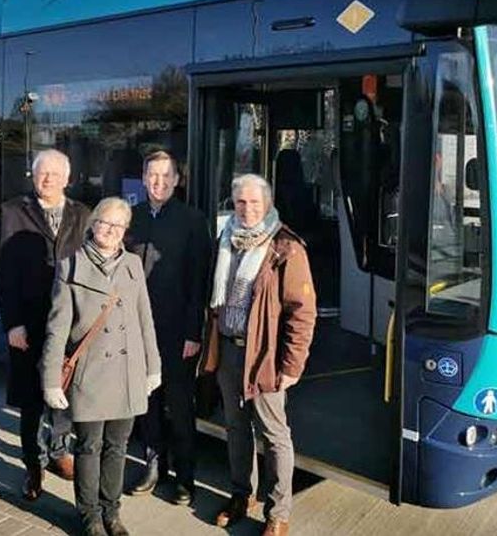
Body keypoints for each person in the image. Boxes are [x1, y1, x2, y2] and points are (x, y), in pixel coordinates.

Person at [202, 173, 316, 536]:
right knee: (236, 428)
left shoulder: (286, 247)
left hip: (264, 356)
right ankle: (241, 495)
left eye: (254, 202)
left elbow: (302, 312)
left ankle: (278, 512)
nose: (247, 209)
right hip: (228, 350)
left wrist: (292, 365)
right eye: (240, 202)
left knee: (274, 434)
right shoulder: (226, 239)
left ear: (266, 204)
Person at [41, 197, 162, 536]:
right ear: (93, 225)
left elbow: (144, 318)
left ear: (125, 231)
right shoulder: (70, 267)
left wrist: (153, 366)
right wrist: (51, 381)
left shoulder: (133, 265)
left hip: (128, 372)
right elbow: (57, 328)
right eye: (104, 223)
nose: (110, 231)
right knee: (89, 446)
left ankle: (112, 511)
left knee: (118, 446)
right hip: (91, 375)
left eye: (118, 226)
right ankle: (90, 515)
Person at [0, 149, 90, 500]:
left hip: (69, 322)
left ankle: (59, 452)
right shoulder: (12, 212)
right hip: (29, 322)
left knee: (64, 393)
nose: (47, 179)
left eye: (55, 173)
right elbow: (3, 273)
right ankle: (32, 465)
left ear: (67, 178)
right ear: (33, 176)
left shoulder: (82, 214)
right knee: (32, 399)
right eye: (41, 173)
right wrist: (12, 323)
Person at [125, 151, 212, 504]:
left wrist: (194, 333)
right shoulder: (132, 218)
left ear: (178, 180)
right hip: (138, 330)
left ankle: (185, 478)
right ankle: (153, 465)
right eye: (152, 175)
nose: (158, 182)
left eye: (165, 176)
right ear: (143, 179)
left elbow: (199, 283)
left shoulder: (193, 221)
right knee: (147, 403)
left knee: (179, 406)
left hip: (178, 333)